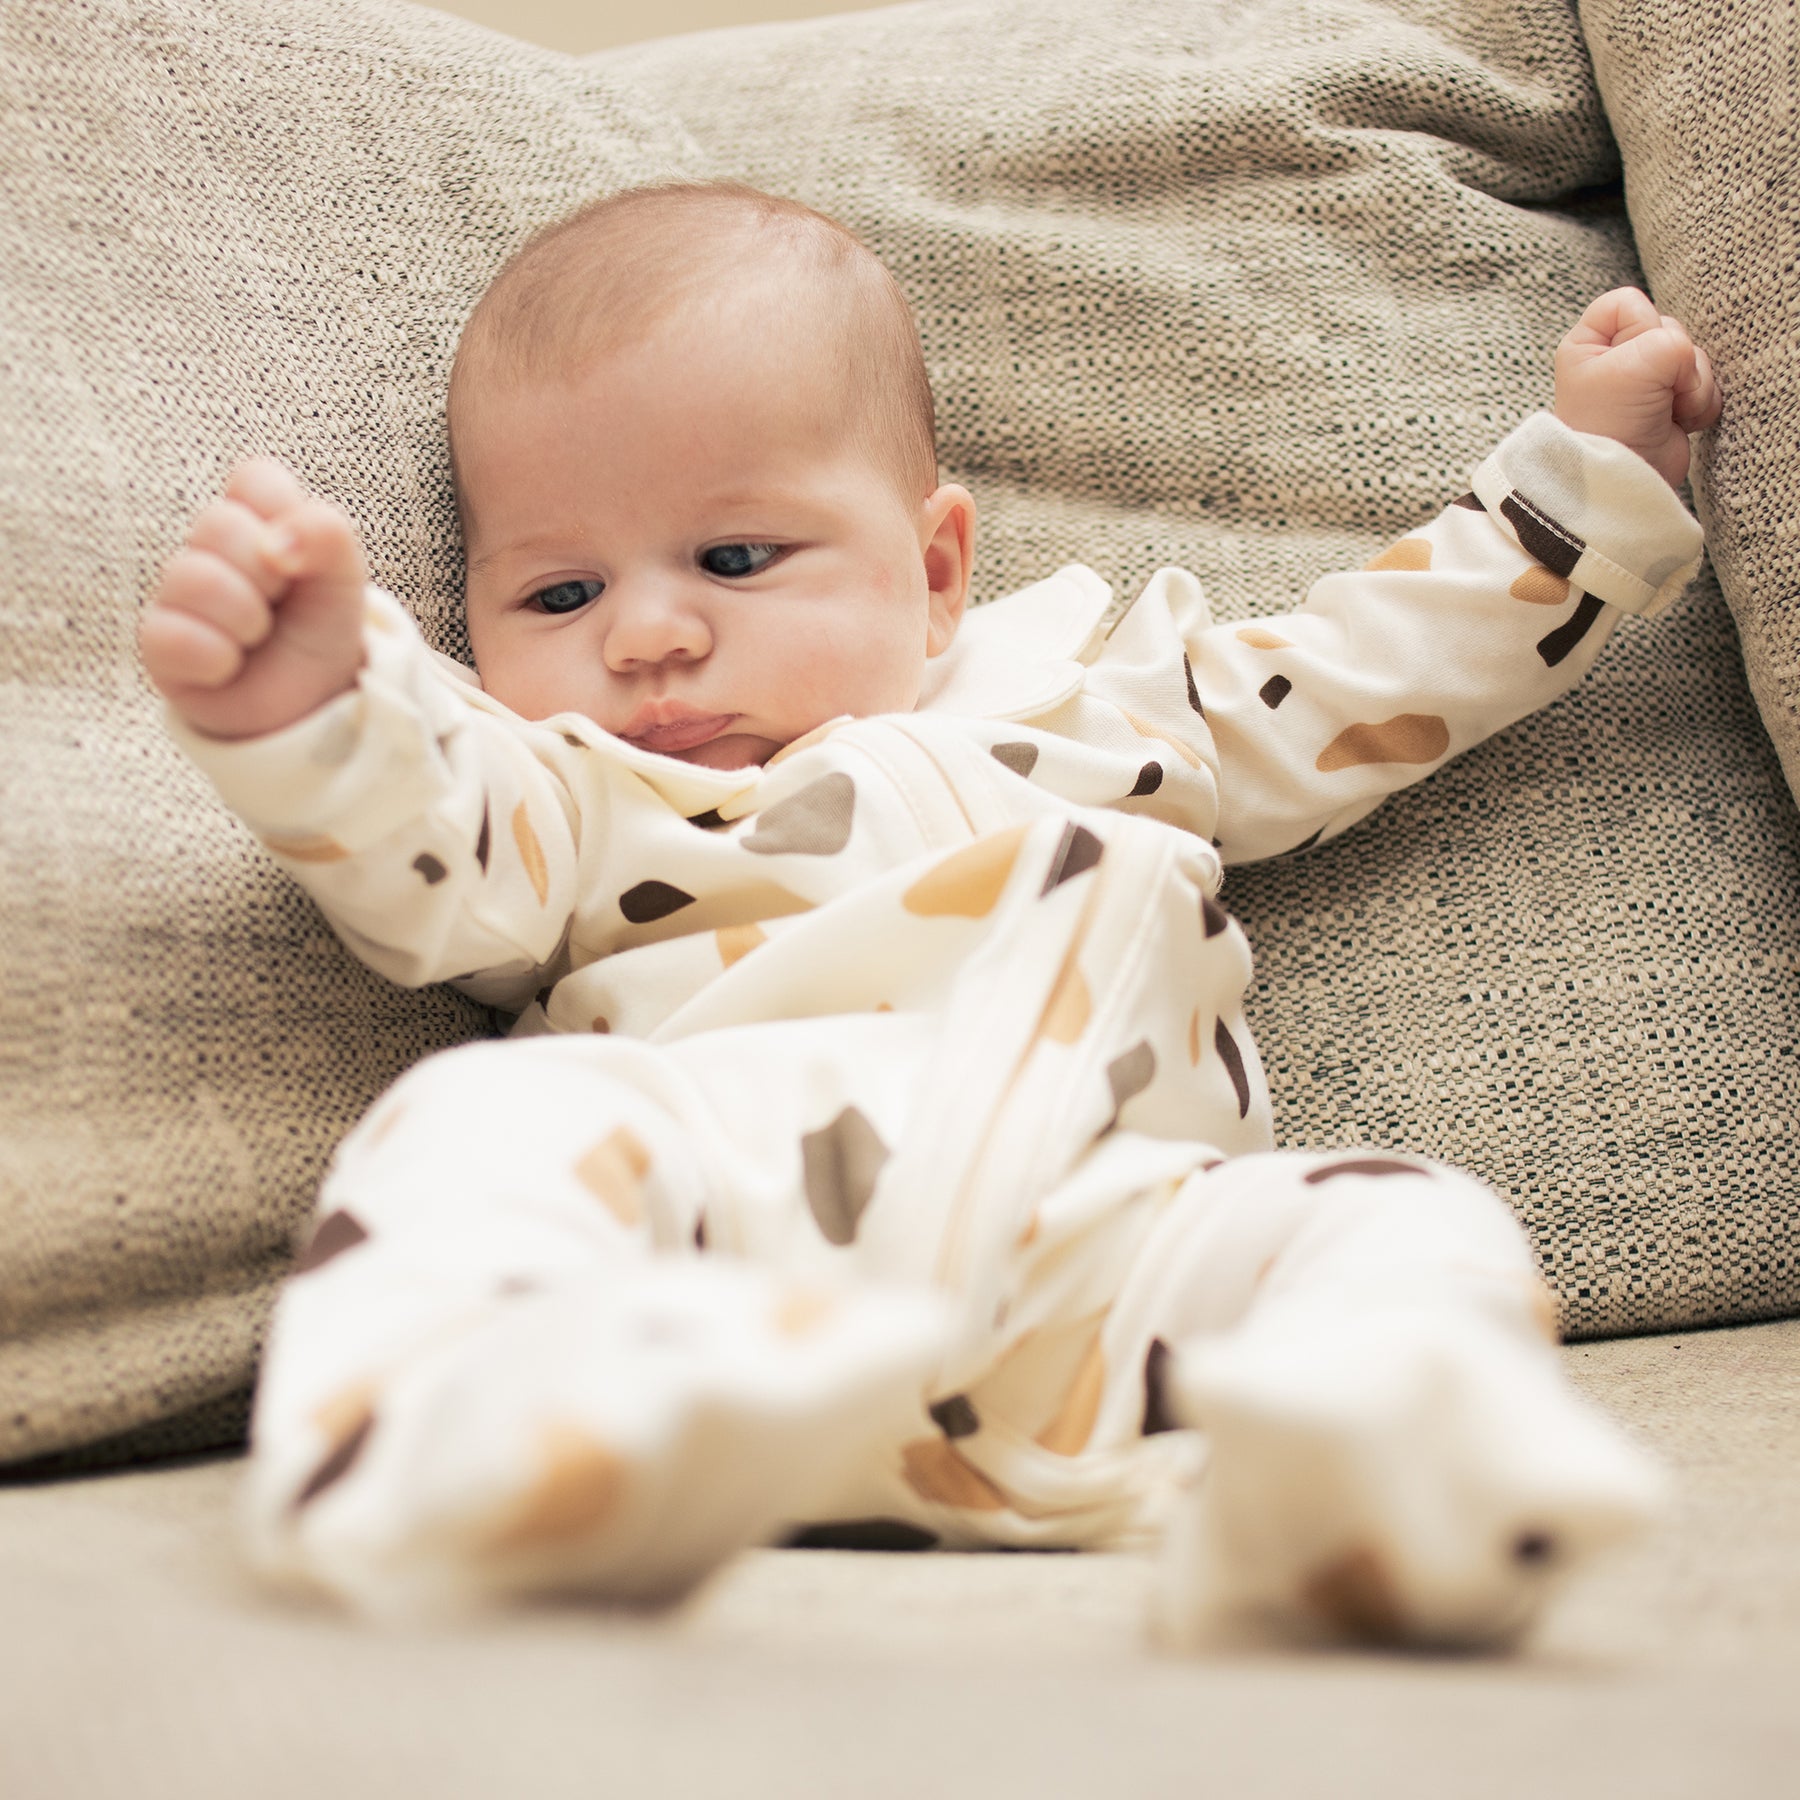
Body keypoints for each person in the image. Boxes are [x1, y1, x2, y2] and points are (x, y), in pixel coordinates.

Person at [139, 181, 1719, 1646]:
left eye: (736, 556)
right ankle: (472, 1444)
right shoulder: (571, 793)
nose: (649, 637)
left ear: (939, 566)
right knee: (482, 1119)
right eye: (558, 596)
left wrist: (1580, 490)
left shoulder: (1100, 713)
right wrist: (318, 711)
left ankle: (1361, 1465)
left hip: (1104, 1253)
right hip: (711, 1251)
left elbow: (1365, 676)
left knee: (1393, 1214)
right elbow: (427, 846)